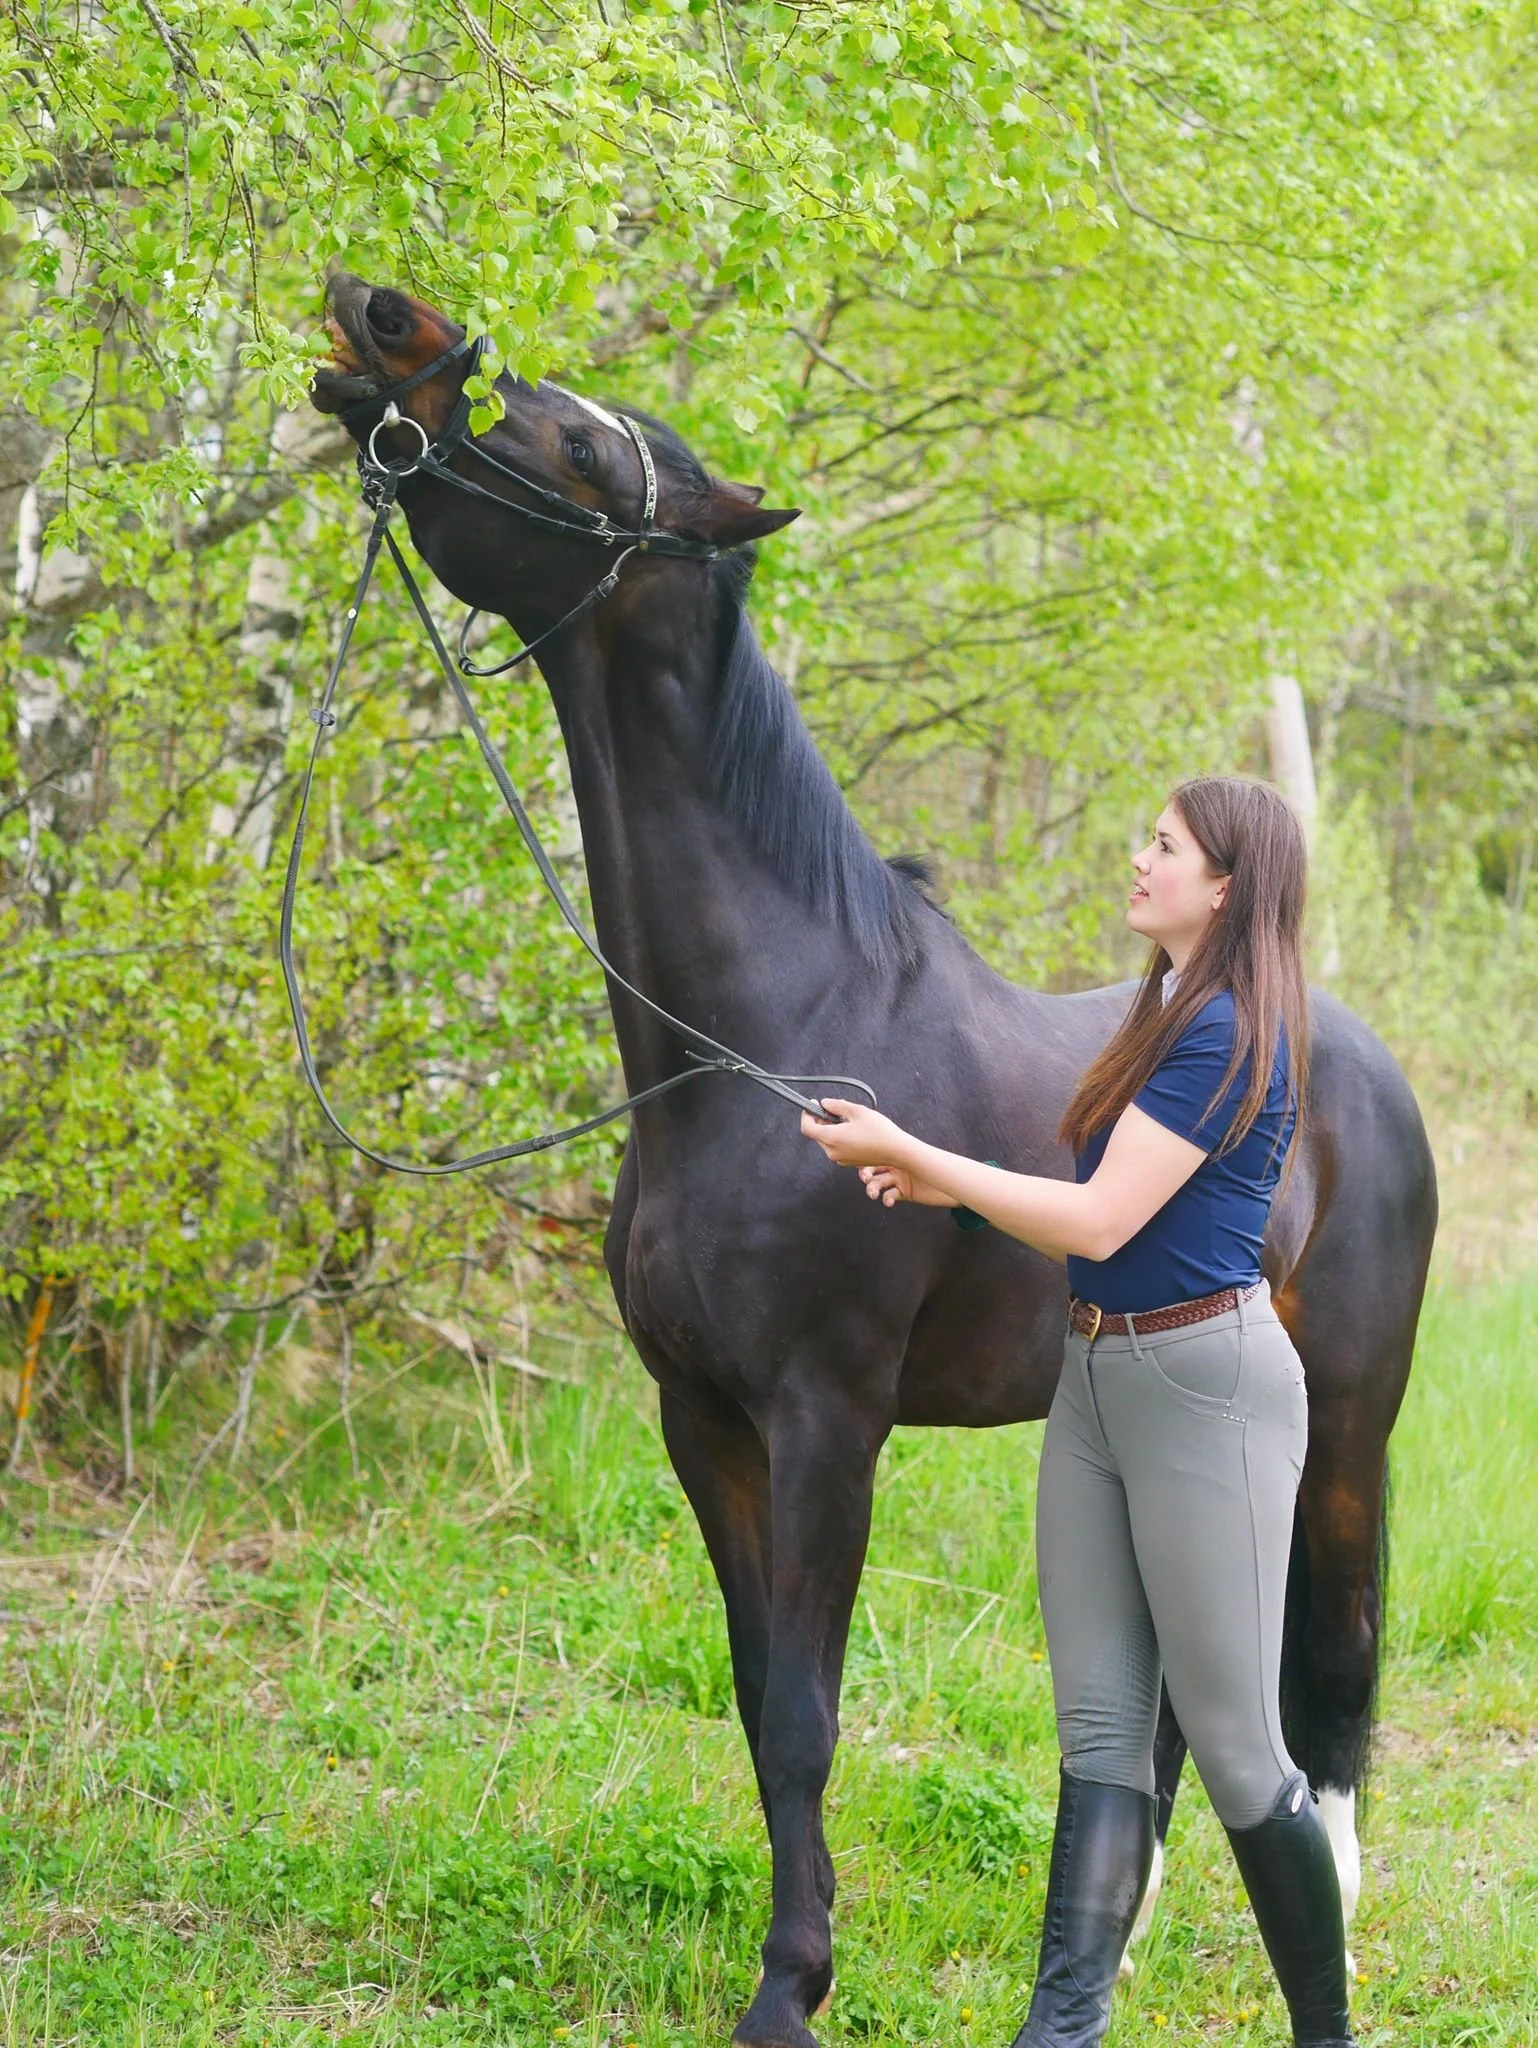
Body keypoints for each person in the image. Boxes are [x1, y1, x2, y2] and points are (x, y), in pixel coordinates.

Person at [802, 775, 1352, 2048]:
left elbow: (1102, 1218)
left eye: (1162, 846)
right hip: (1095, 1380)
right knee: (1100, 1735)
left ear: (1223, 885)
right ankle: (1061, 2032)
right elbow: (1091, 1206)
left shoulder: (1224, 1025)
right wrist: (929, 1177)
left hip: (1205, 1388)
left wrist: (926, 1157)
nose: (1137, 858)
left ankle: (1327, 2036)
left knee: (1230, 1747)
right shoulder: (1164, 1011)